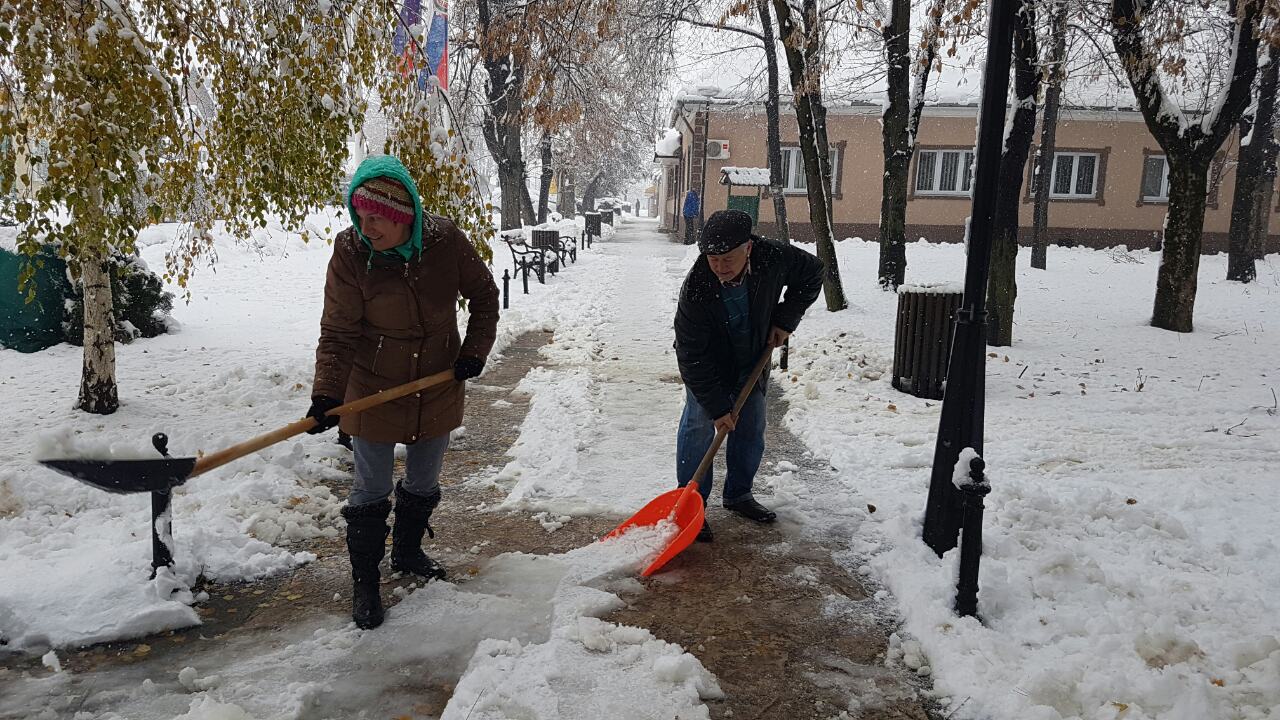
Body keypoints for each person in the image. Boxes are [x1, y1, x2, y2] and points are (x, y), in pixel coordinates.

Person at [307, 155, 499, 629]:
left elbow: (485, 296)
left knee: (423, 481)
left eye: (377, 218)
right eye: (359, 215)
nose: (365, 226)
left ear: (404, 215)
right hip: (372, 388)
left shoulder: (445, 240)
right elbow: (337, 331)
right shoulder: (351, 252)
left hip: (436, 382)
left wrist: (473, 352)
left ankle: (408, 552)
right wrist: (327, 394)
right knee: (370, 488)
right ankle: (365, 583)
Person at [673, 209, 824, 542]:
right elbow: (691, 355)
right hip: (709, 365)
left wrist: (786, 318)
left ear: (749, 247)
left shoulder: (773, 257)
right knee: (699, 428)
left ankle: (739, 495)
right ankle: (690, 505)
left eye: (727, 258)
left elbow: (813, 272)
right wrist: (716, 408)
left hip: (753, 356)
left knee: (751, 427)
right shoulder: (697, 289)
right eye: (712, 259)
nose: (720, 267)